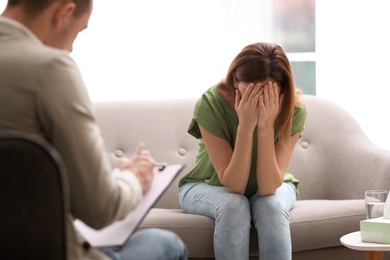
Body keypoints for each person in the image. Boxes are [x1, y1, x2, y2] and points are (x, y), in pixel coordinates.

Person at [0, 0, 187, 259]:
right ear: (63, 12)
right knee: (166, 243)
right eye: (78, 31)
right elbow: (101, 211)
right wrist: (134, 177)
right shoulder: (51, 70)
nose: (71, 47)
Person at [178, 42, 307, 260]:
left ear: (283, 91)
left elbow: (268, 188)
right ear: (236, 82)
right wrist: (246, 126)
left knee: (272, 206)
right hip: (205, 184)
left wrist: (265, 127)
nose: (258, 103)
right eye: (251, 94)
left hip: (274, 183)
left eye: (268, 95)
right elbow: (235, 185)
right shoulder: (210, 103)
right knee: (234, 205)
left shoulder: (294, 109)